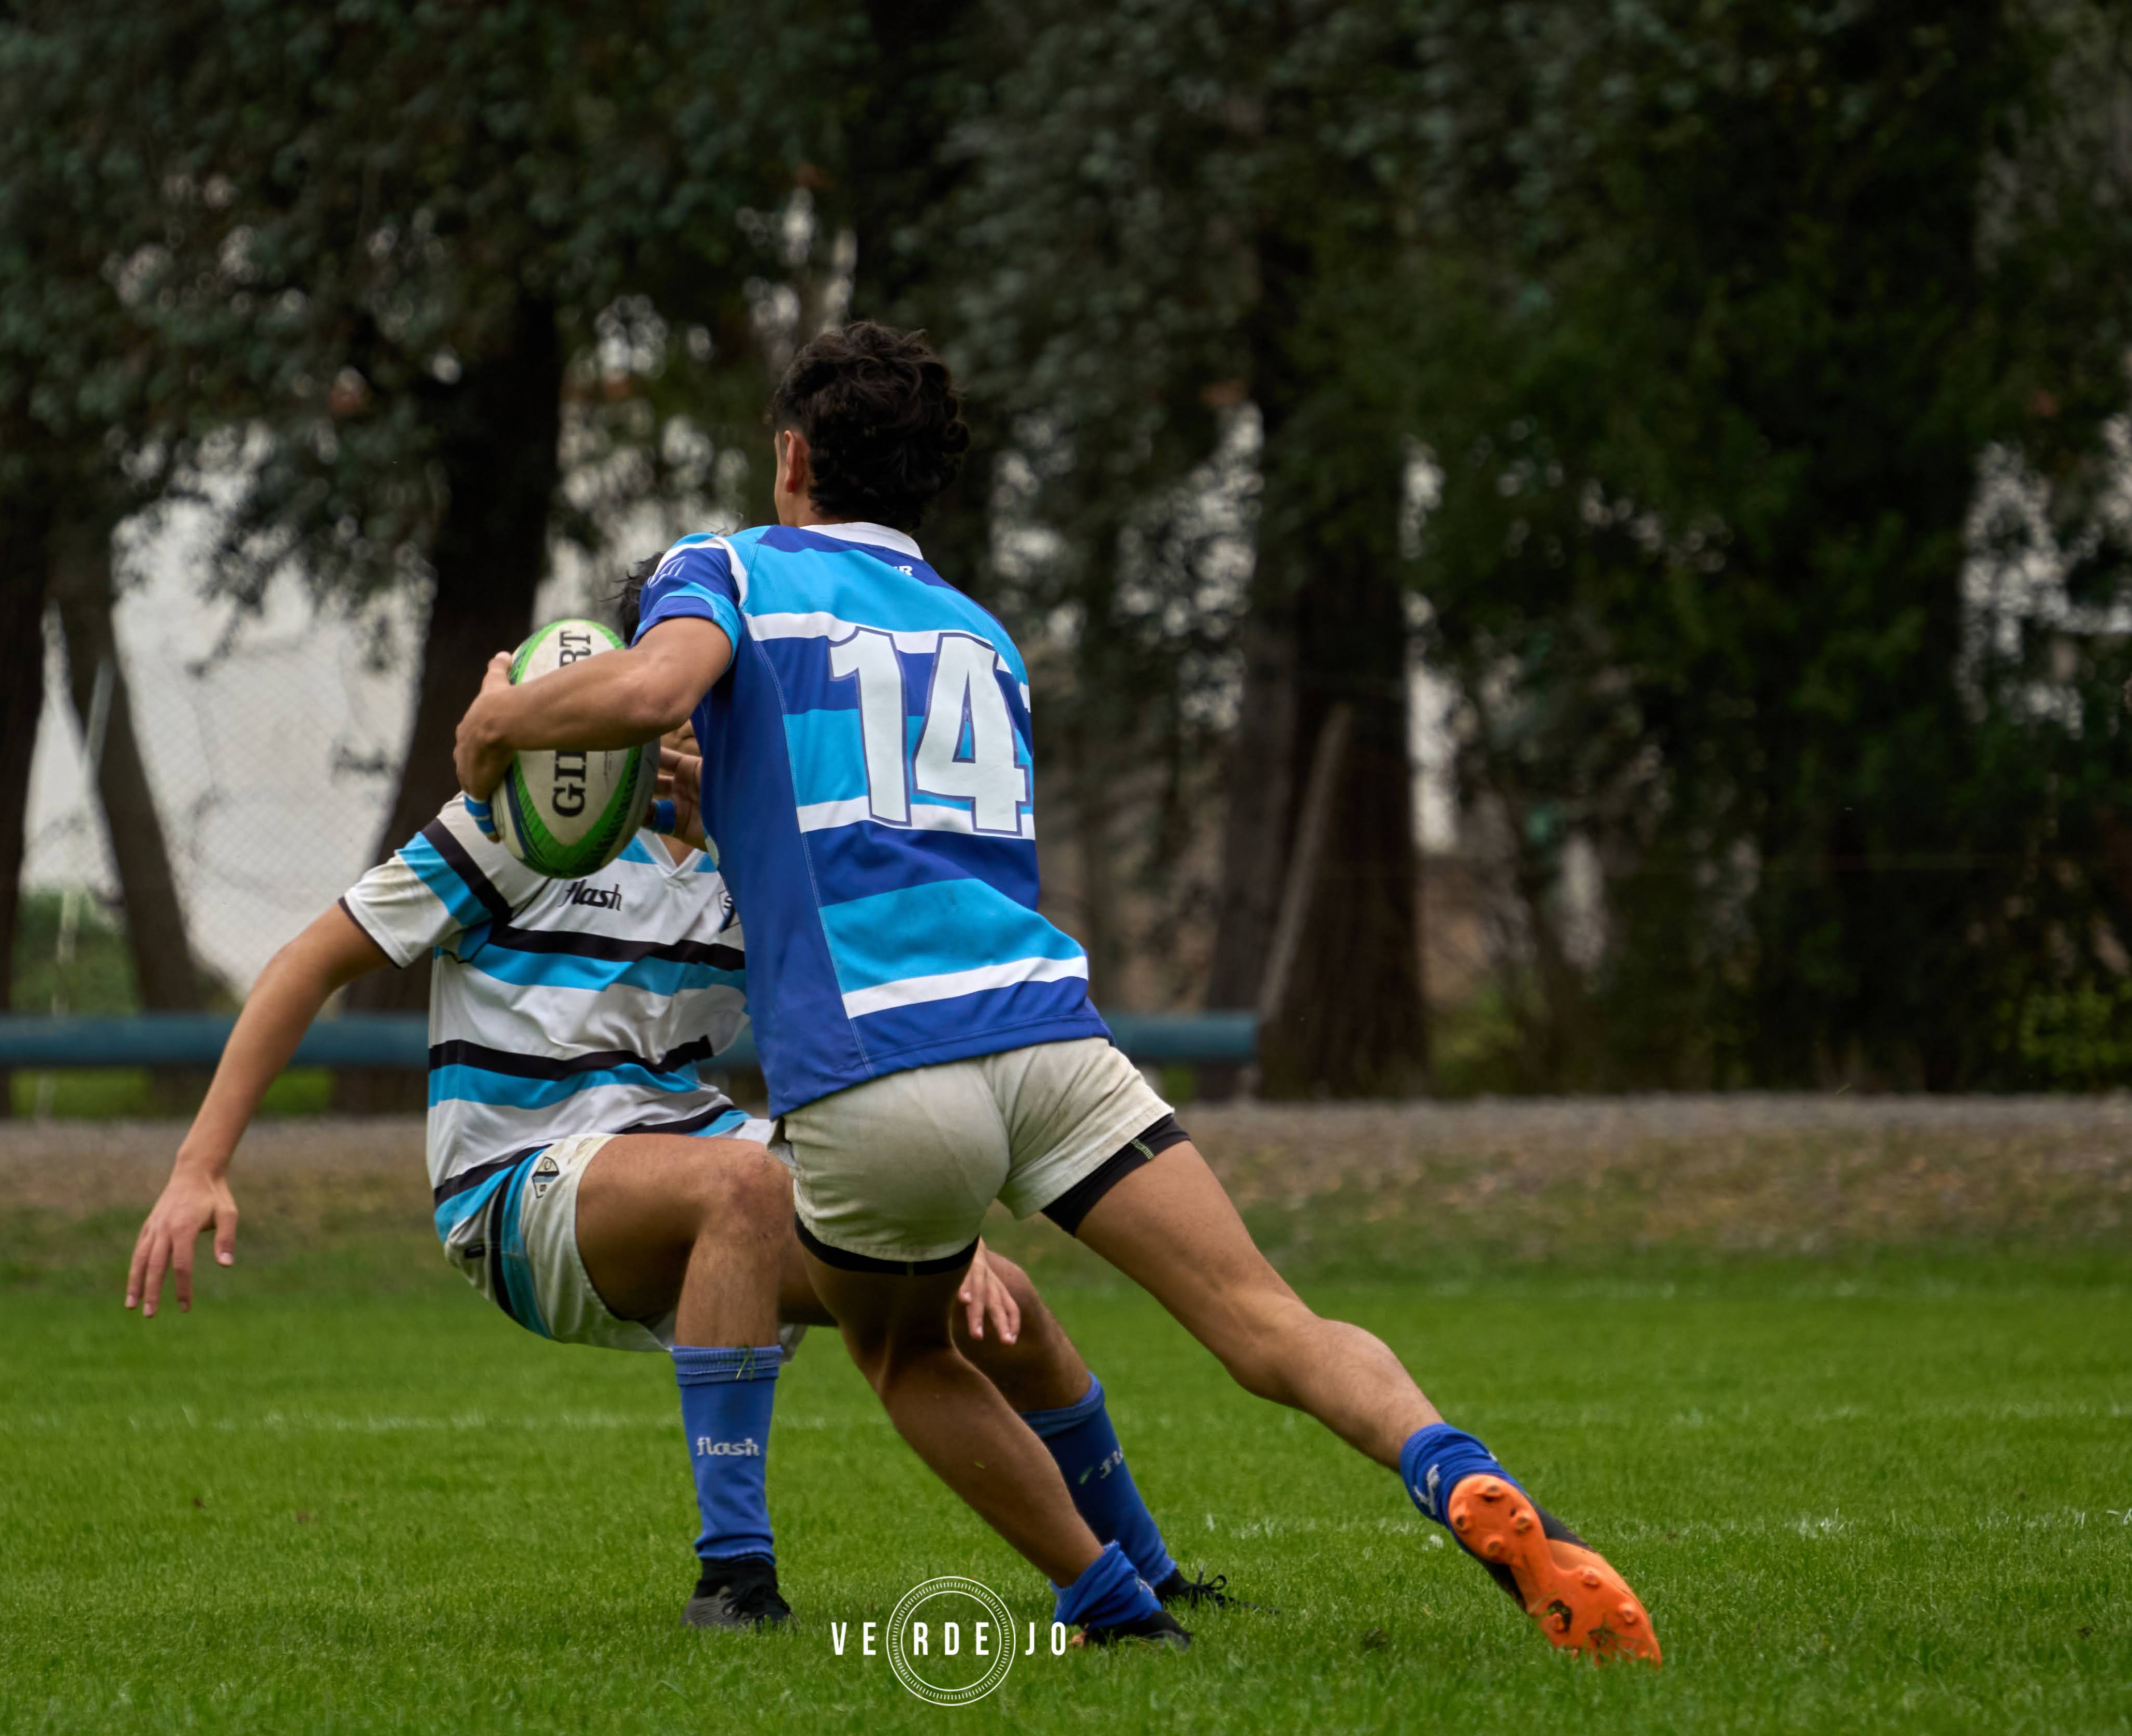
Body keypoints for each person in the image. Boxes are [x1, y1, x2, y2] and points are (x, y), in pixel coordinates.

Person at [451, 320, 1661, 1661]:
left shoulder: (723, 564)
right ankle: (1456, 1472)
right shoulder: (980, 636)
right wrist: (719, 801)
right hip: (1047, 1034)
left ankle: (1110, 1607)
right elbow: (877, 837)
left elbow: (655, 686)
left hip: (879, 1065)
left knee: (909, 1356)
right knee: (1269, 1323)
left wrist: (500, 723)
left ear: (791, 457)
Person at [123, 740, 1223, 1631]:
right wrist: (198, 1167)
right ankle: (734, 1581)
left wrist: (942, 1228)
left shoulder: (767, 870)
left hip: (695, 1150)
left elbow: (846, 1071)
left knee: (1005, 1301)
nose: (695, 728)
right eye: (679, 696)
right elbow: (311, 959)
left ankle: (1148, 1575)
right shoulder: (523, 820)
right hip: (514, 1187)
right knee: (739, 1190)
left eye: (722, 702)